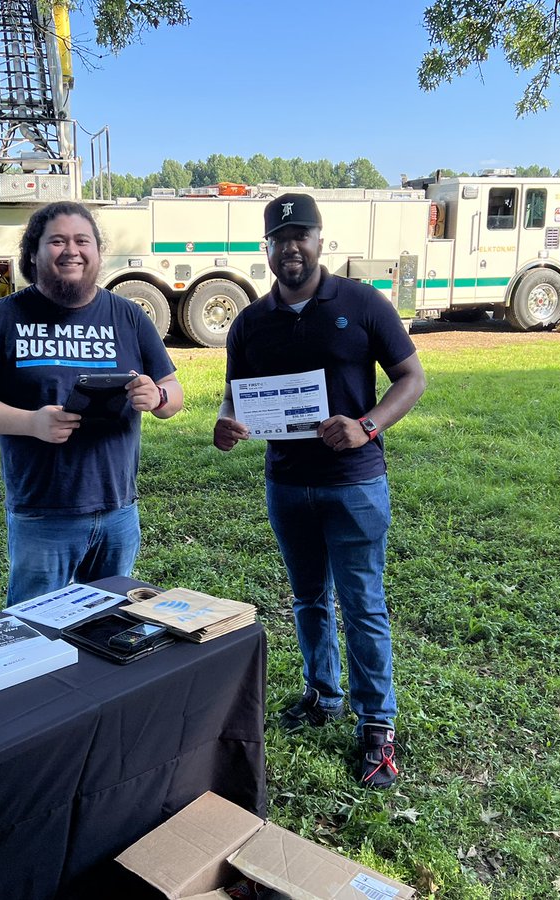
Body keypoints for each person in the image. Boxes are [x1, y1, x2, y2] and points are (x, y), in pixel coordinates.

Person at [213, 193, 426, 790]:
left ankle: (377, 727)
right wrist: (227, 421)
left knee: (361, 604)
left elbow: (412, 377)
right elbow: (237, 393)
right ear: (267, 249)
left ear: (319, 240)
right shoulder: (251, 322)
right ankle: (322, 694)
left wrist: (366, 426)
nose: (291, 248)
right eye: (279, 239)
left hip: (353, 485)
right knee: (307, 599)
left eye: (301, 236)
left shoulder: (361, 303)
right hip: (287, 483)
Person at [0, 200, 183, 606]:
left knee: (109, 623)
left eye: (82, 240)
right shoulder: (3, 317)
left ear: (96, 252)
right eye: (57, 240)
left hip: (118, 509)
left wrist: (157, 396)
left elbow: (172, 393)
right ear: (34, 253)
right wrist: (32, 423)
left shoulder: (127, 316)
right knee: (33, 630)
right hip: (42, 512)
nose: (71, 250)